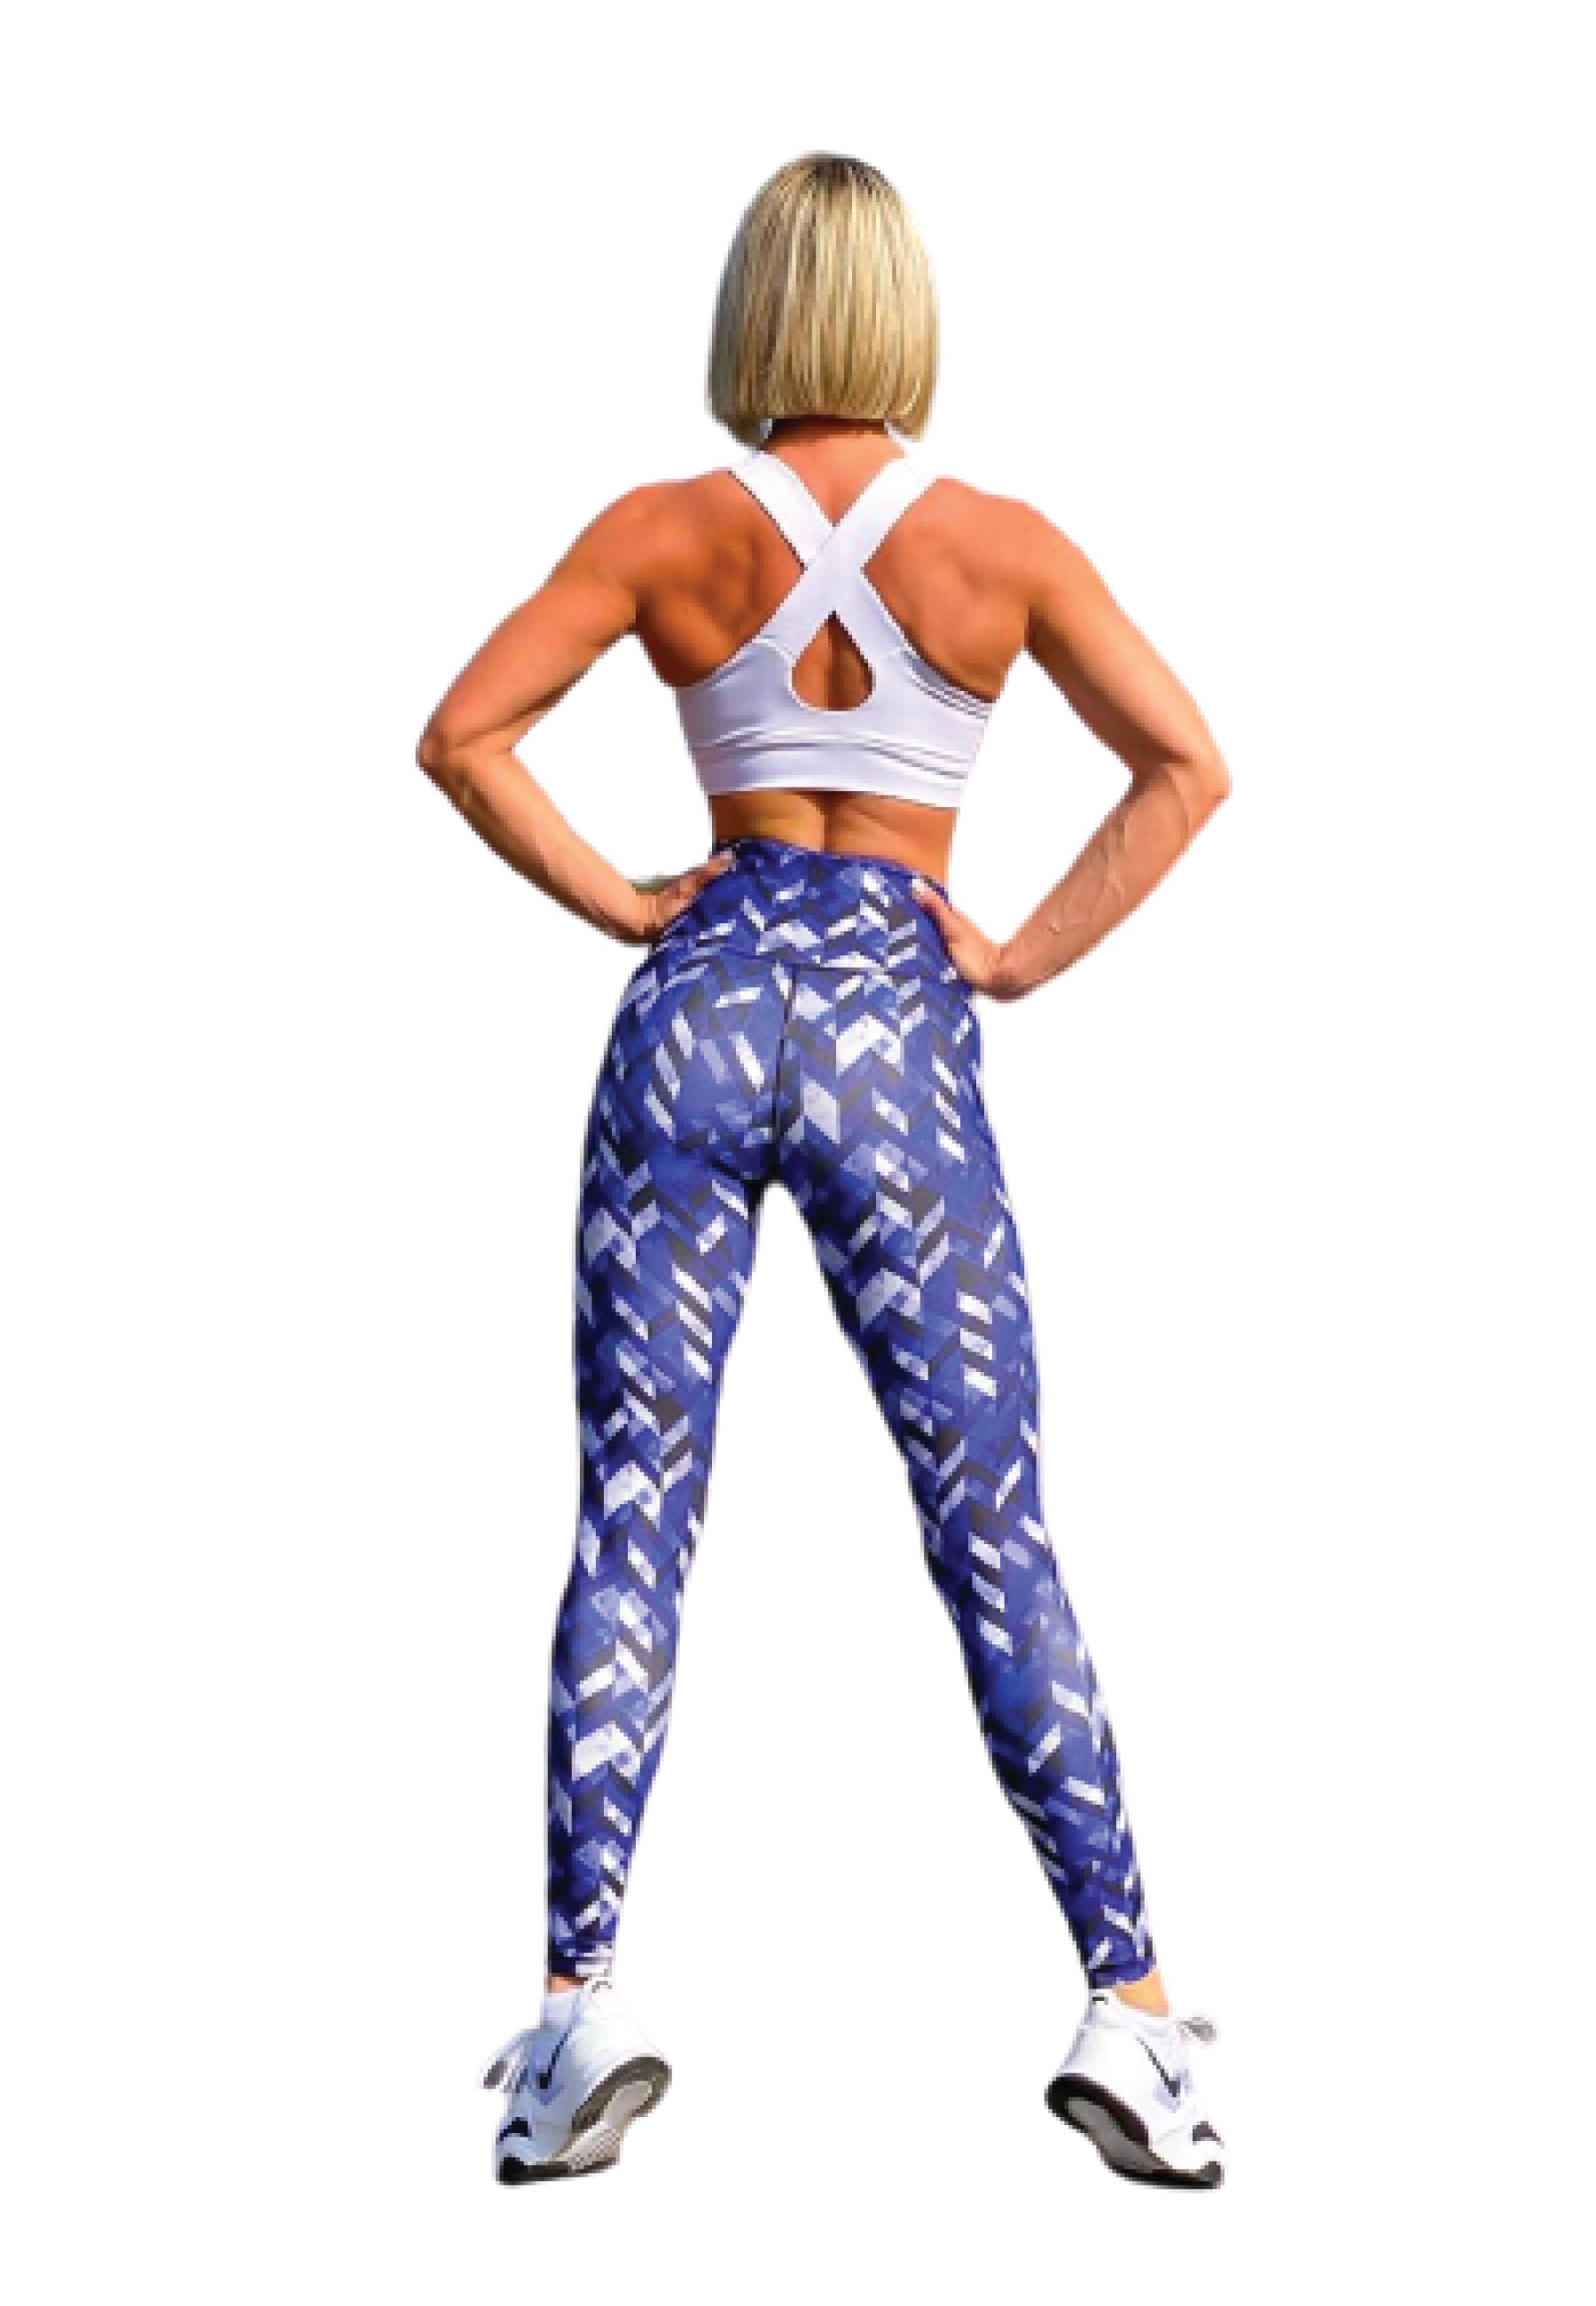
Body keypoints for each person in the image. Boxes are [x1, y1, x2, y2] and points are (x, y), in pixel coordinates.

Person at [418, 153, 1233, 2192]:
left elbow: (463, 733)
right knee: (993, 1526)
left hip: (696, 1008)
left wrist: (627, 899)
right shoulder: (1002, 547)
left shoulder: (661, 531)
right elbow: (1189, 764)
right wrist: (1015, 953)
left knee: (634, 1508)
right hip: (899, 1033)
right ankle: (1131, 2012)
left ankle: (576, 2009)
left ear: (754, 309)